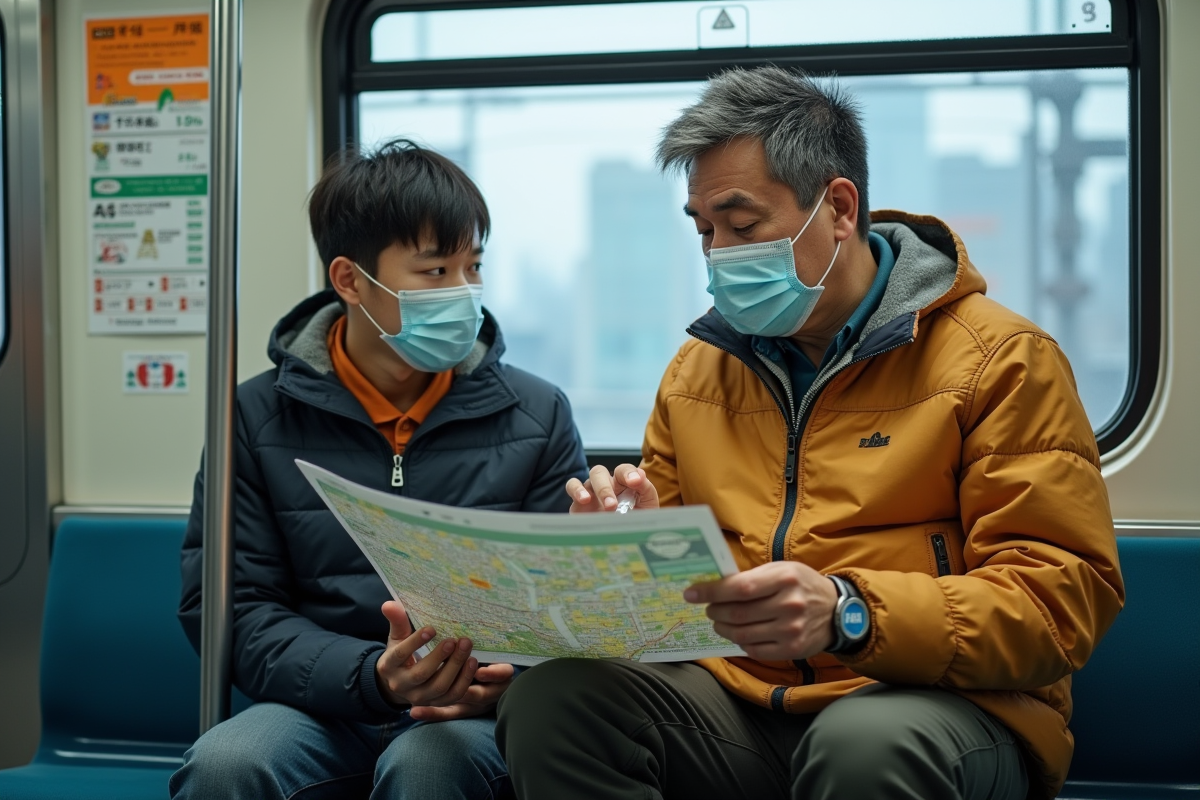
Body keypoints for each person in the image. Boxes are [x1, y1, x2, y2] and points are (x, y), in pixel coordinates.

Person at [496, 67, 1124, 800]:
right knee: (556, 701)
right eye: (704, 231)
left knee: (862, 745)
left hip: (941, 706)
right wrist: (611, 553)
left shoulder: (1002, 362)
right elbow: (673, 591)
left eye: (743, 224)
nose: (718, 254)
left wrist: (849, 612)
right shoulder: (696, 374)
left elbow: (1060, 603)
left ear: (838, 207)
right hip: (738, 704)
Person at [172, 139, 587, 800]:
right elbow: (234, 609)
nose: (463, 294)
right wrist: (373, 676)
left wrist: (500, 679)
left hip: (472, 706)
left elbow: (567, 606)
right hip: (326, 700)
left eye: (472, 268)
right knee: (226, 765)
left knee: (428, 766)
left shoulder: (536, 413)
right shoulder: (254, 416)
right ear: (349, 281)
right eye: (433, 272)